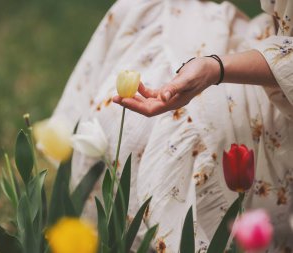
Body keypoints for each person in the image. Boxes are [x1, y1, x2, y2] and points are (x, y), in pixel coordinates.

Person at [53, 0, 293, 251]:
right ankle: (86, 229)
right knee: (142, 10)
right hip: (259, 42)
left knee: (162, 133)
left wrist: (214, 68)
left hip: (280, 96)